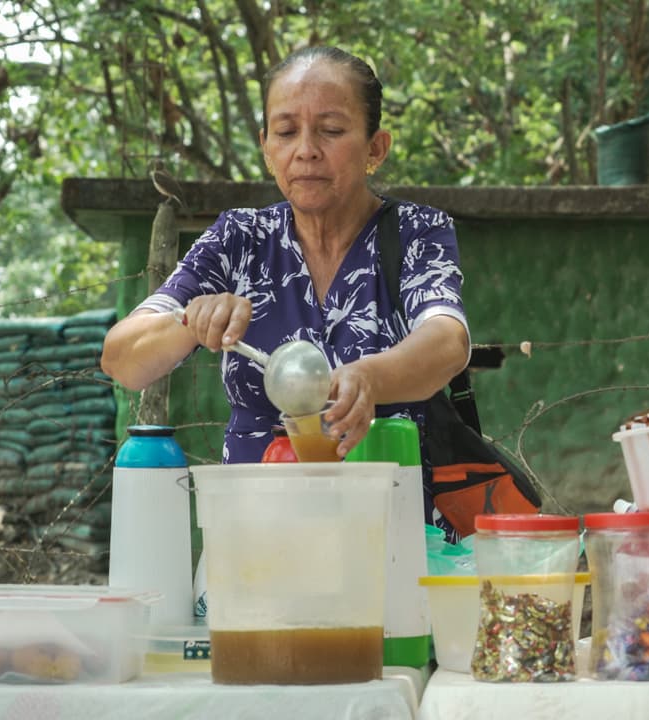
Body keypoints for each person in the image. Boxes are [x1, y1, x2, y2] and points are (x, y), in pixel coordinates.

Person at [101, 46, 471, 529]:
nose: (306, 150)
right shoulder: (238, 240)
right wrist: (191, 322)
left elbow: (447, 340)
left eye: (332, 131)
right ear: (266, 146)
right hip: (256, 542)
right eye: (286, 131)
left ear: (376, 148)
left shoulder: (415, 231)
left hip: (389, 538)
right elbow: (122, 358)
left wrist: (369, 379)